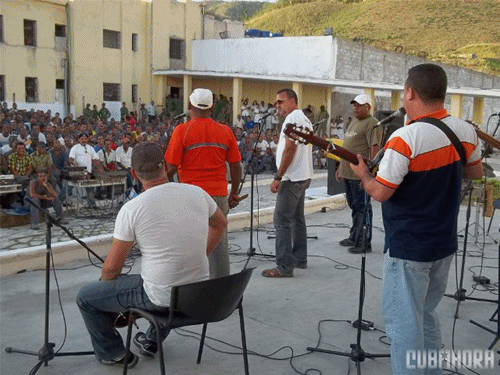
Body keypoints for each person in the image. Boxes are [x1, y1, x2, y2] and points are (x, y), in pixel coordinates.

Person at [350, 63, 483, 375]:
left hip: (409, 247)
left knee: (404, 327)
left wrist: (364, 176)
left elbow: (380, 193)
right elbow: (475, 172)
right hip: (444, 244)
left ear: (410, 92)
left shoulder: (405, 138)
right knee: (426, 313)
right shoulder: (465, 130)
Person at [76, 142, 227, 367]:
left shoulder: (132, 208)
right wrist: (202, 253)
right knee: (162, 280)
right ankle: (152, 339)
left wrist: (107, 291)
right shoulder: (197, 193)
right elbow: (220, 223)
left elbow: (111, 268)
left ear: (134, 173)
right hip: (197, 294)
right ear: (166, 166)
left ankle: (112, 352)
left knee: (87, 297)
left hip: (162, 297)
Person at [165, 88, 242, 278]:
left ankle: (192, 287)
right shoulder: (225, 130)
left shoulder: (182, 130)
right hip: (218, 195)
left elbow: (171, 167)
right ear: (212, 107)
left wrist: (165, 191)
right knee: (219, 242)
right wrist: (234, 193)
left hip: (191, 195)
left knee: (190, 240)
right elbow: (236, 166)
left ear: (190, 106)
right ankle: (222, 291)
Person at [262, 88, 313, 278]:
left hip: (292, 178)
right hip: (302, 175)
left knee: (282, 220)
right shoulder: (303, 118)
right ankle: (300, 259)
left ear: (292, 101)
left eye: (281, 101)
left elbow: (290, 151)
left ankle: (284, 266)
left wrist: (278, 176)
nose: (277, 105)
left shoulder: (293, 119)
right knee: (297, 219)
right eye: (276, 102)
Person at [335, 94, 381, 254]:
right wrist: (341, 168)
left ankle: (364, 242)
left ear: (368, 106)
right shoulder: (354, 122)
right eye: (354, 105)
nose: (356, 108)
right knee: (354, 207)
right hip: (348, 173)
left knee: (363, 208)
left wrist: (369, 173)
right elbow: (348, 146)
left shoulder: (372, 123)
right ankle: (354, 236)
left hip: (359, 174)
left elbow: (374, 148)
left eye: (360, 105)